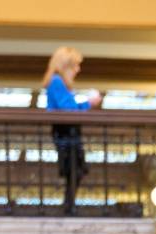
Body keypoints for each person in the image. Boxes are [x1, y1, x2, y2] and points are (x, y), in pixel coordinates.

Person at [42, 46, 101, 215]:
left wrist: (86, 104)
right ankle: (69, 207)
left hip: (67, 131)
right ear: (65, 65)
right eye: (75, 65)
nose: (78, 69)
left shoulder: (58, 83)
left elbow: (70, 107)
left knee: (76, 169)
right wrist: (89, 102)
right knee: (74, 169)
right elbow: (69, 109)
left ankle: (69, 205)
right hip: (66, 132)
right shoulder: (57, 82)